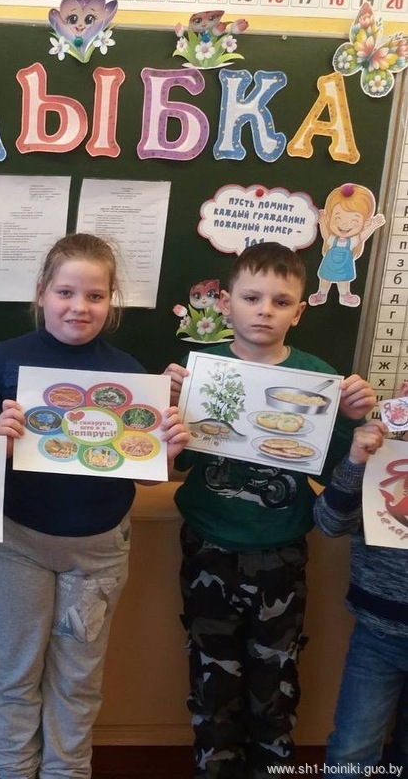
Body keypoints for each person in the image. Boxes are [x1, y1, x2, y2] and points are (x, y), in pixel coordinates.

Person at [0, 233, 189, 779]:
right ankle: (14, 770)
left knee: (78, 680)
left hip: (98, 550)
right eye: (65, 292)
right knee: (16, 675)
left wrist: (167, 452)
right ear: (42, 292)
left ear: (111, 301)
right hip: (16, 542)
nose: (78, 307)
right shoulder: (4, 361)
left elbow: (147, 470)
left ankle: (67, 771)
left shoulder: (131, 374)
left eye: (95, 295)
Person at [163, 242, 376, 778]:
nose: (264, 311)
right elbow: (176, 460)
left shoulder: (317, 377)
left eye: (280, 302)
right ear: (225, 303)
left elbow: (336, 471)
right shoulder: (202, 372)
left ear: (298, 312)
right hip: (207, 548)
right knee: (212, 678)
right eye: (251, 297)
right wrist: (167, 406)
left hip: (281, 553)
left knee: (275, 681)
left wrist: (352, 418)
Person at [314, 412, 408, 772]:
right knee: (352, 753)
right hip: (378, 632)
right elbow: (329, 523)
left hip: (378, 627)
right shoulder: (379, 446)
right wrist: (355, 461)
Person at [308, 183, 385, 308]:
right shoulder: (333, 239)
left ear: (364, 221)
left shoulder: (352, 241)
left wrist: (373, 226)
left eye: (354, 221)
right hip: (329, 263)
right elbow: (326, 235)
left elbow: (362, 236)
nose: (344, 224)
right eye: (338, 218)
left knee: (344, 280)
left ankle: (345, 295)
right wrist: (322, 222)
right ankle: (321, 293)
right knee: (325, 278)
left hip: (344, 265)